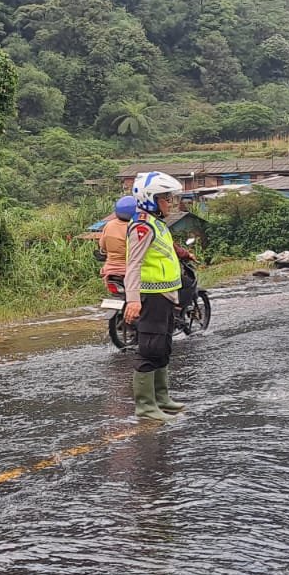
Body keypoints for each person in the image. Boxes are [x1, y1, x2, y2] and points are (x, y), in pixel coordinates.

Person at [123, 171, 187, 420]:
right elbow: (134, 264)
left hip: (165, 294)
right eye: (165, 198)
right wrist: (133, 300)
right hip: (150, 296)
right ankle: (146, 406)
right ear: (150, 199)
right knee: (150, 348)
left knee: (163, 346)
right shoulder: (143, 226)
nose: (170, 203)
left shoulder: (156, 223)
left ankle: (162, 398)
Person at [99, 195, 137, 280]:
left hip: (110, 270)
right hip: (130, 271)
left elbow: (102, 246)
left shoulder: (109, 225)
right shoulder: (136, 228)